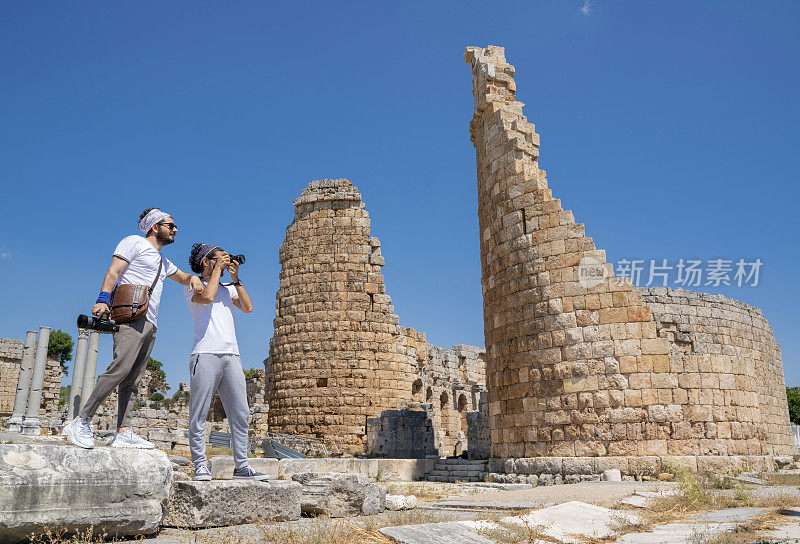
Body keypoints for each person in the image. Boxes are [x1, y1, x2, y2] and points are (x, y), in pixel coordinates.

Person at [63, 208, 203, 449]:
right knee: (120, 368)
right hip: (130, 316)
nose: (175, 229)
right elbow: (114, 271)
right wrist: (103, 299)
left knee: (133, 379)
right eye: (170, 225)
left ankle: (124, 431)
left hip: (150, 321)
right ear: (154, 227)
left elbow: (181, 276)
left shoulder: (163, 261)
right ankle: (81, 421)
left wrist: (193, 278)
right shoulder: (134, 242)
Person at [184, 243, 267, 481]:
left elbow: (248, 308)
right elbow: (207, 297)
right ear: (205, 261)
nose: (224, 260)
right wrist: (218, 272)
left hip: (232, 355)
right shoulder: (194, 284)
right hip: (205, 353)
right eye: (219, 257)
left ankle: (241, 466)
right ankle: (200, 465)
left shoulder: (228, 287)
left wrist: (236, 279)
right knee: (199, 413)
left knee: (241, 412)